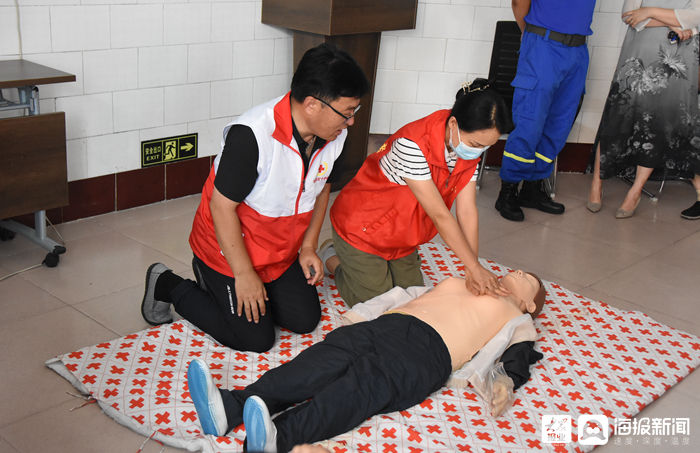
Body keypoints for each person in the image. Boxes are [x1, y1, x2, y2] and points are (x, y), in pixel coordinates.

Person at [139, 43, 369, 352]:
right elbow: (220, 208)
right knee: (256, 339)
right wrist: (244, 275)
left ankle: (241, 293)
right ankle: (169, 283)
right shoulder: (252, 135)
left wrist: (309, 246)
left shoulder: (334, 135)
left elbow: (323, 185)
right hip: (227, 252)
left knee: (304, 320)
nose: (351, 121)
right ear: (313, 104)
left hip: (278, 251)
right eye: (347, 112)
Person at [186, 269, 546, 452]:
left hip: (428, 354)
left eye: (526, 279)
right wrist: (360, 316)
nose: (515, 273)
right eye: (516, 269)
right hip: (387, 325)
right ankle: (231, 406)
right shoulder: (467, 279)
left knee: (359, 388)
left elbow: (519, 354)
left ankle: (279, 437)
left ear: (529, 303)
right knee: (318, 363)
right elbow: (403, 295)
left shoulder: (517, 317)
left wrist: (505, 381)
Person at [323, 79, 513, 307]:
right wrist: (473, 267)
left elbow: (467, 210)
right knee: (380, 304)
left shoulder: (468, 144)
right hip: (362, 228)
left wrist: (472, 266)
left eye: (486, 146)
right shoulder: (412, 144)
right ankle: (332, 258)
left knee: (414, 299)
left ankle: (363, 264)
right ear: (453, 124)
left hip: (402, 235)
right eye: (475, 144)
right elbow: (441, 215)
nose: (478, 152)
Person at [587, 1, 700, 219]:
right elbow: (629, 15)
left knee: (657, 124)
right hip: (639, 52)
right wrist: (675, 22)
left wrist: (649, 12)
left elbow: (697, 17)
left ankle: (635, 191)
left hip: (678, 57)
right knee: (617, 115)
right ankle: (596, 183)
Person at [495, 0, 597, 222]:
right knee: (528, 122)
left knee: (558, 124)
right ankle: (508, 191)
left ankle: (533, 187)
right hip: (543, 45)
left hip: (578, 50)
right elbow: (518, 3)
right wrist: (530, 33)